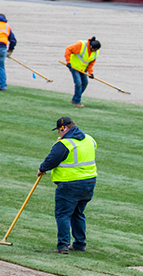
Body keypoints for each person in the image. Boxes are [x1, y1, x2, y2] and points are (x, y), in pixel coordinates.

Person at [38, 117, 98, 254]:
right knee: (78, 213)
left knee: (63, 214)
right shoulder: (89, 138)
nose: (58, 134)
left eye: (59, 131)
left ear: (64, 128)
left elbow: (52, 159)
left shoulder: (65, 144)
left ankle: (63, 245)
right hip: (89, 183)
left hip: (70, 184)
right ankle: (79, 243)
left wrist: (42, 169)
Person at [64, 37, 101, 107]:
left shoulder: (96, 52)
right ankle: (77, 102)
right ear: (90, 46)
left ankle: (75, 98)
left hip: (83, 69)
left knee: (85, 83)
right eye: (93, 49)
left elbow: (91, 63)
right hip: (74, 67)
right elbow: (68, 49)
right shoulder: (81, 45)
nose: (94, 51)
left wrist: (90, 73)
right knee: (78, 83)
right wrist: (68, 62)